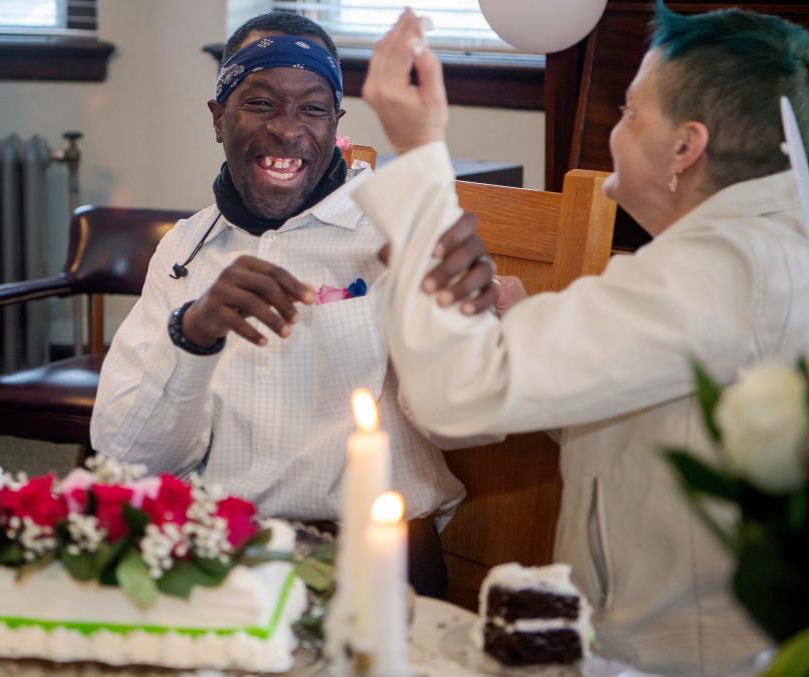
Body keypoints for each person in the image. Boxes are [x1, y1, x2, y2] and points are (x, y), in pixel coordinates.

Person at [353, 5, 809, 675]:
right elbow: (664, 417)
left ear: (687, 146)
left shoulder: (718, 269)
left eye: (629, 113)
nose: (614, 135)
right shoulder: (764, 248)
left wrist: (421, 153)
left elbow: (457, 392)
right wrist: (526, 330)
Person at [90, 12, 506, 599]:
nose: (287, 131)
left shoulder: (389, 229)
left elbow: (467, 419)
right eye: (260, 103)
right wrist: (195, 334)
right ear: (218, 118)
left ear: (336, 122)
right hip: (219, 553)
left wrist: (455, 299)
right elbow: (127, 457)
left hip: (373, 558)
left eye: (312, 108)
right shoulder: (186, 250)